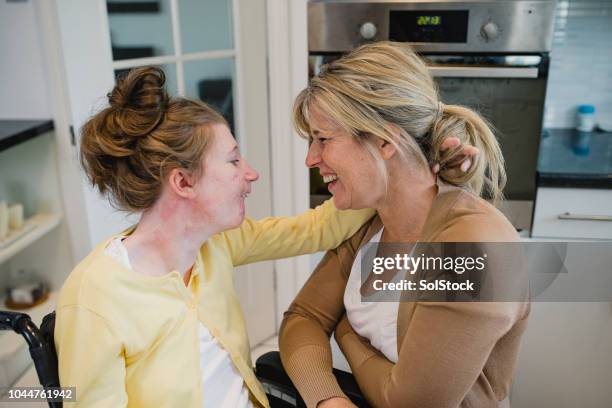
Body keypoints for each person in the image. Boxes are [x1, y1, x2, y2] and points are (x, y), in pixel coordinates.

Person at [54, 67, 376, 408]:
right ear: (183, 182)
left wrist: (381, 170)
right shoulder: (94, 296)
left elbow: (317, 229)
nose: (251, 174)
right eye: (233, 160)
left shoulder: (215, 244)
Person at [279, 41, 530, 408]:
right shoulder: (369, 218)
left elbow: (406, 402)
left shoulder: (468, 248)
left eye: (322, 139)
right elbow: (303, 318)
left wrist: (345, 330)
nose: (311, 159)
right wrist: (327, 398)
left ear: (384, 139)